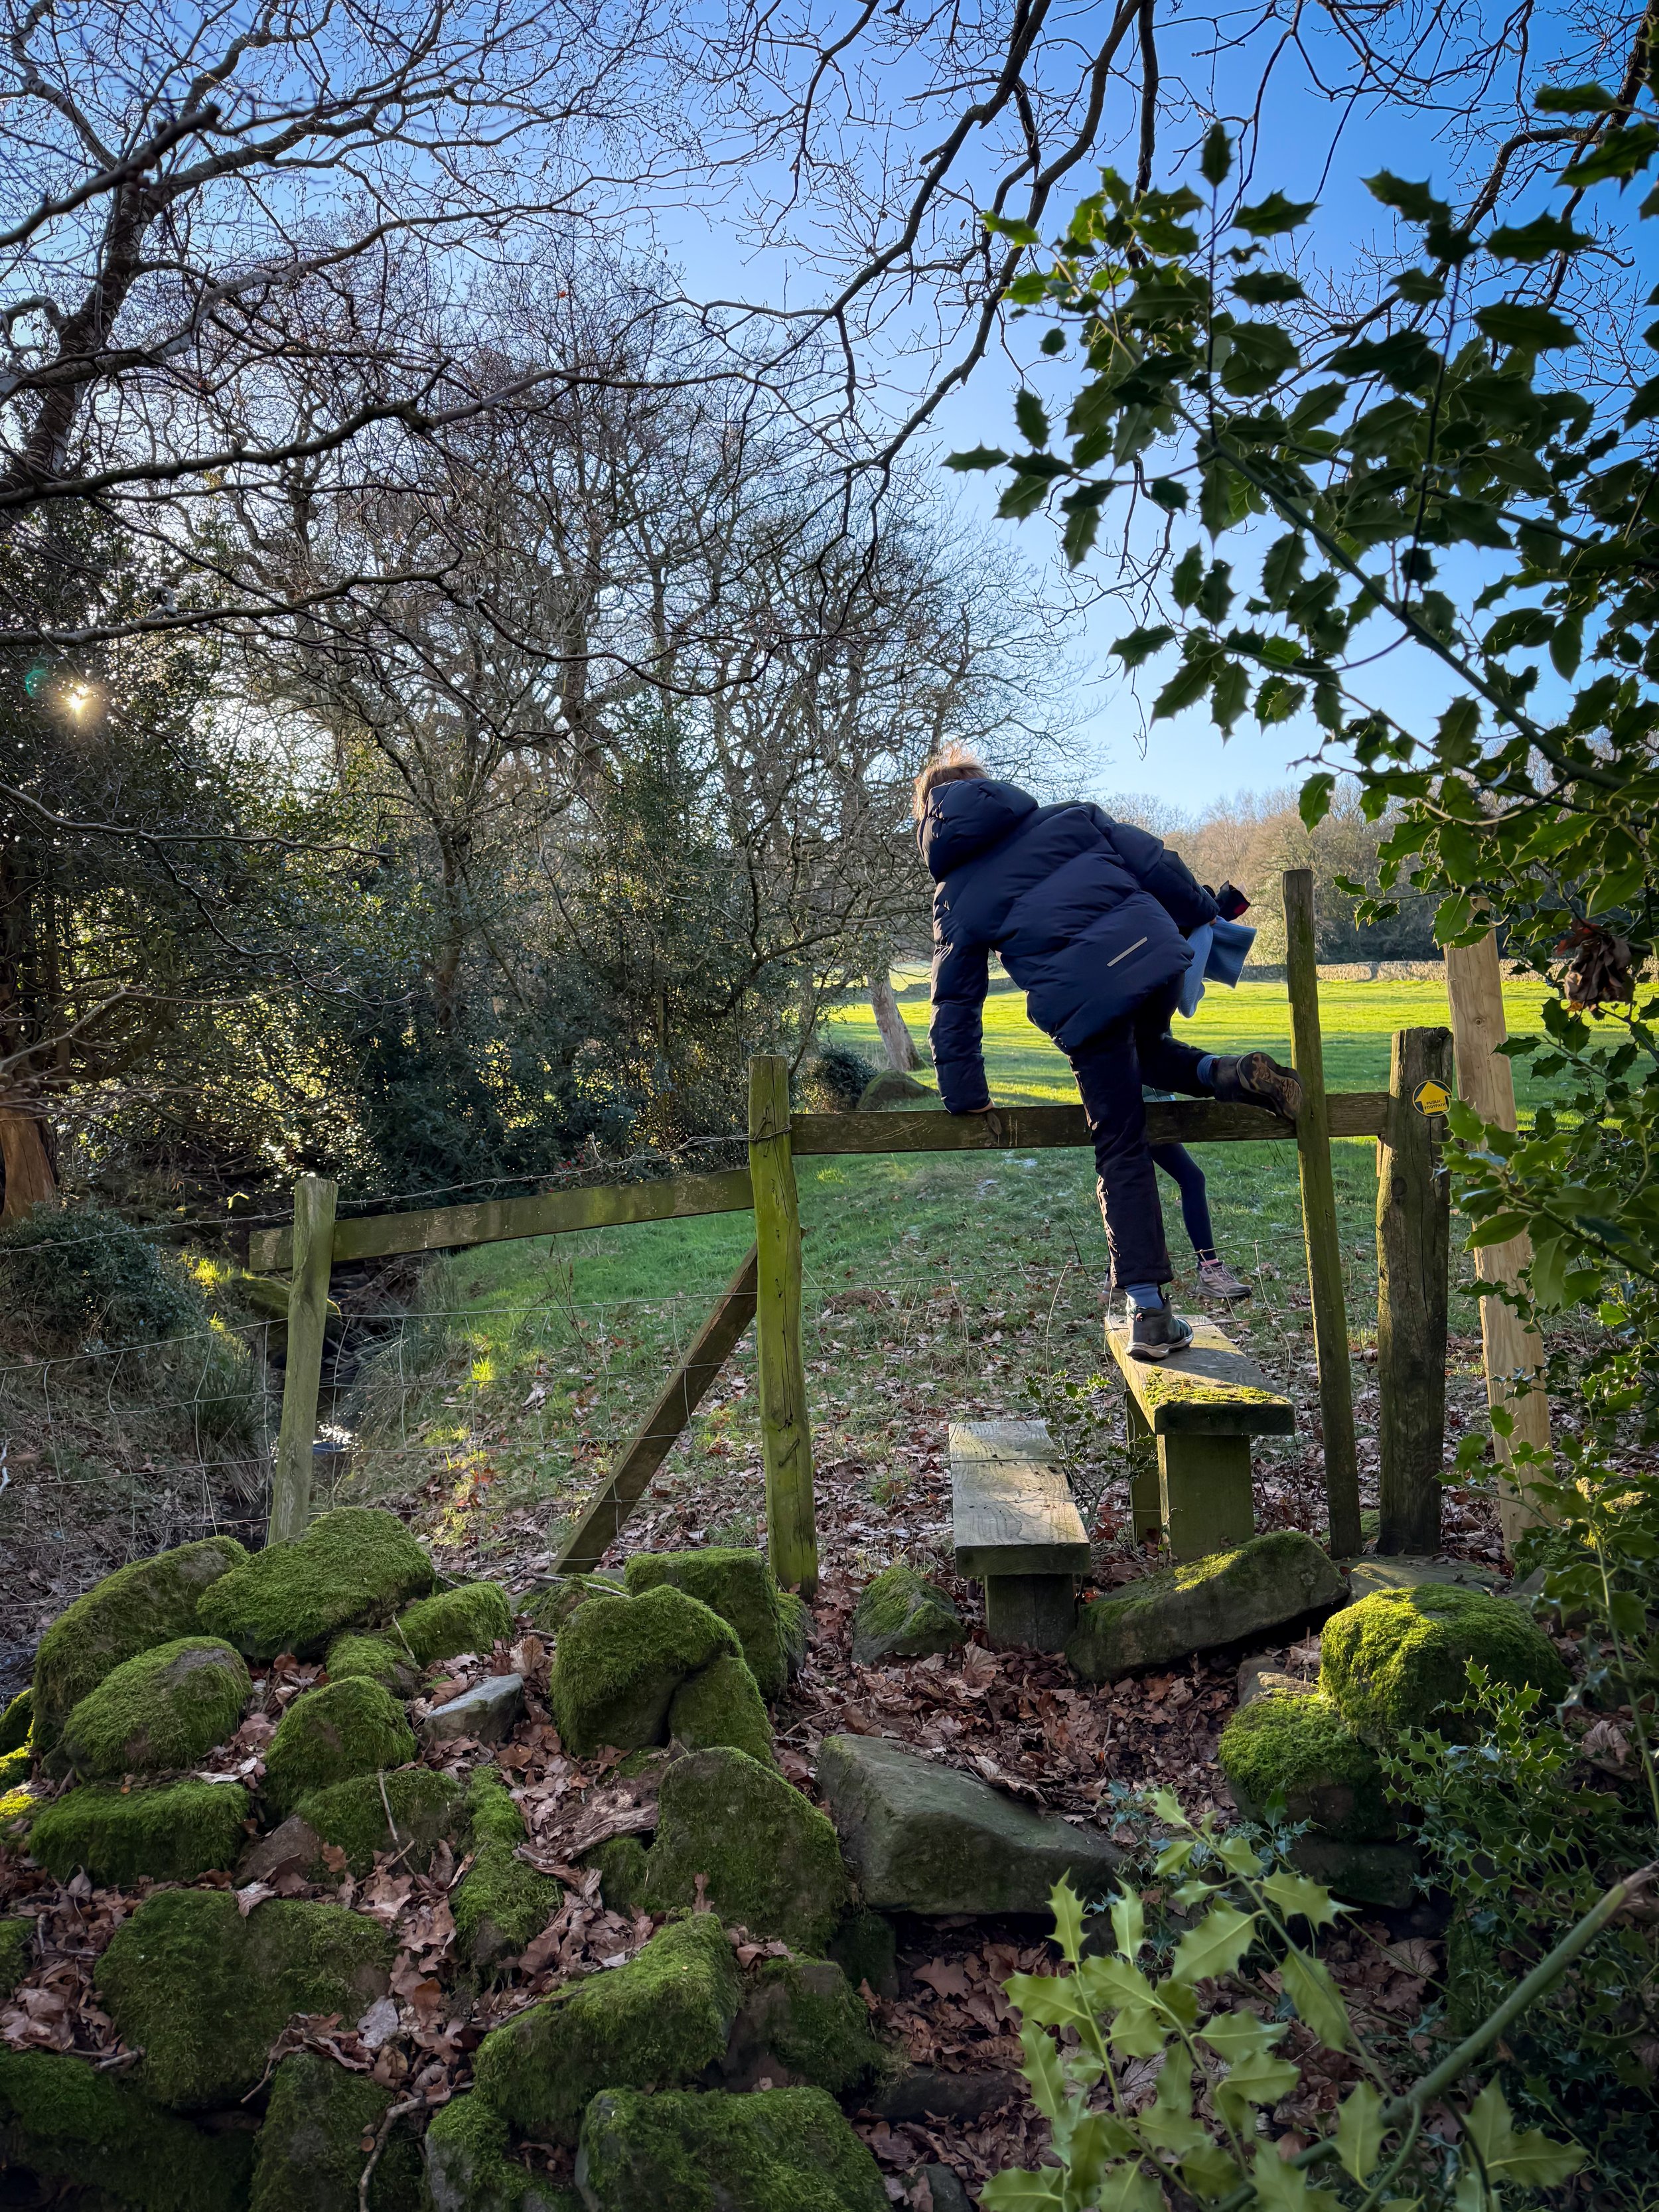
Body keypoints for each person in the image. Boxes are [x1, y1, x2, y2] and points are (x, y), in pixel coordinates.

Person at [914, 747, 1301, 1360]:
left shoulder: (955, 892)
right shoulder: (1072, 818)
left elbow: (954, 1001)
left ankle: (1148, 1311)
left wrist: (966, 1095)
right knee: (1146, 1050)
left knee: (1120, 1141)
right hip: (1153, 959)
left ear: (931, 820)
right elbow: (1161, 866)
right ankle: (1230, 1074)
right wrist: (1206, 911)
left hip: (1083, 1002)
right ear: (992, 790)